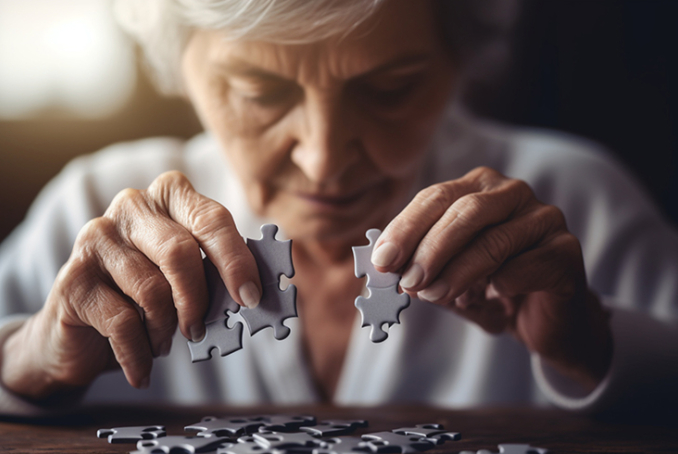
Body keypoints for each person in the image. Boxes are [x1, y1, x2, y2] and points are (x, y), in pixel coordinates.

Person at [0, 0, 676, 416]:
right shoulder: (90, 212)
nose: (323, 159)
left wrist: (594, 346)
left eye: (389, 90)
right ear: (180, 69)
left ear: (460, 60)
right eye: (260, 93)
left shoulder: (578, 199)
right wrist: (30, 358)